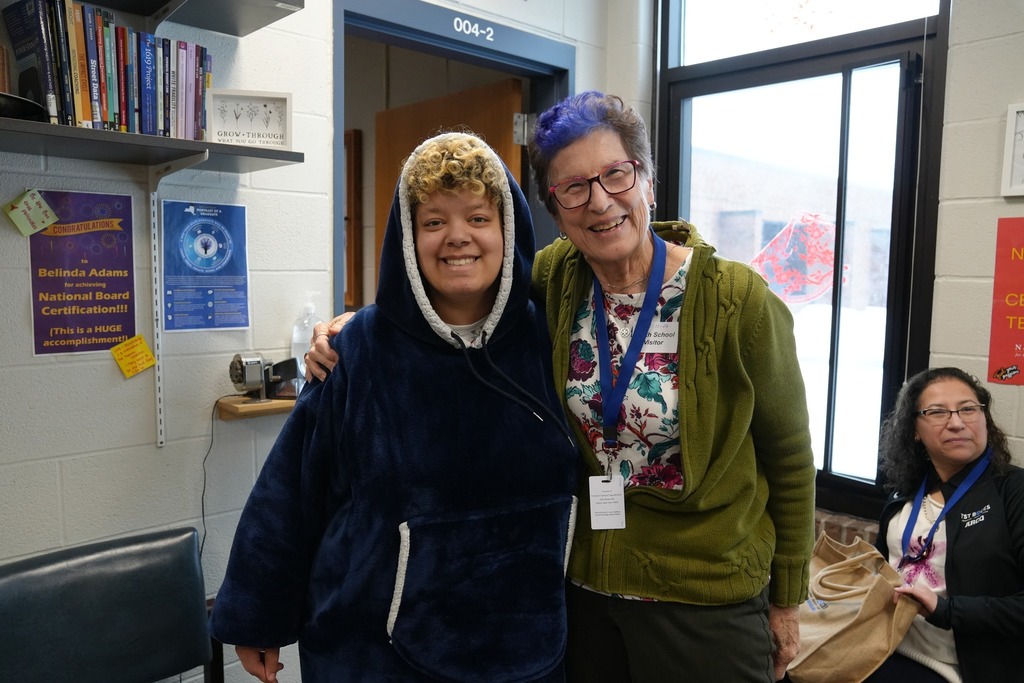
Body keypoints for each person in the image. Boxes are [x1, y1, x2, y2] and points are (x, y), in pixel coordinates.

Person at [309, 91, 816, 682]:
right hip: (584, 594)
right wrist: (362, 327)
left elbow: (789, 457)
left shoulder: (738, 301)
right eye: (573, 187)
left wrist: (787, 599)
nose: (599, 202)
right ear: (553, 205)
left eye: (615, 175)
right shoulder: (552, 278)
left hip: (705, 599)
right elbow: (460, 292)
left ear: (647, 179)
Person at [210, 131, 579, 682]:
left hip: (529, 649)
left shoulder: (554, 338)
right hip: (374, 654)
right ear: (407, 238)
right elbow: (291, 492)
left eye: (478, 218)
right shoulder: (355, 350)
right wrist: (259, 616)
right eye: (434, 221)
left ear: (508, 228)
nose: (457, 237)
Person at [867, 367, 1024, 683]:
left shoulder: (1013, 490)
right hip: (883, 645)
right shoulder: (906, 491)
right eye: (937, 412)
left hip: (955, 669)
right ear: (914, 429)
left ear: (984, 418)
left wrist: (945, 610)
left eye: (968, 409)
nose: (956, 422)